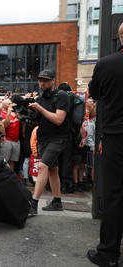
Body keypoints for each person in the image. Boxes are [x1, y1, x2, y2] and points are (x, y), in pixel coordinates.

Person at [86, 23, 123, 267]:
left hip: (117, 136)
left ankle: (109, 253)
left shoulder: (107, 64)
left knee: (114, 195)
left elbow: (94, 92)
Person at [27, 69, 71, 217]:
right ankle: (57, 202)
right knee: (52, 169)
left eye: (45, 80)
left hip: (59, 138)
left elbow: (59, 120)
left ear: (53, 81)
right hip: (44, 138)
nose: (42, 83)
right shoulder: (40, 98)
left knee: (42, 166)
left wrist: (39, 108)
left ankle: (33, 203)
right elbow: (37, 120)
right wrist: (25, 111)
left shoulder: (62, 96)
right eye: (40, 80)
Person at [0, 98, 20, 171]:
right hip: (7, 141)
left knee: (12, 161)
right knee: (5, 161)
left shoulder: (15, 113)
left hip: (16, 141)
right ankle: (5, 176)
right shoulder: (2, 114)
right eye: (9, 104)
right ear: (5, 106)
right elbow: (6, 125)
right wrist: (8, 114)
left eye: (11, 103)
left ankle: (11, 176)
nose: (11, 105)